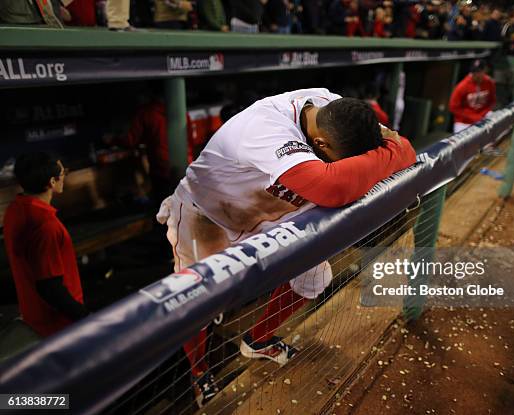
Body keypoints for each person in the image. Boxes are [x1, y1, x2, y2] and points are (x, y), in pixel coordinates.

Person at [156, 88, 417, 402]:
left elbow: (407, 151)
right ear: (320, 144)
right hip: (207, 215)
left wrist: (368, 160)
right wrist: (380, 161)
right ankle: (199, 372)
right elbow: (333, 185)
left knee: (313, 277)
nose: (352, 166)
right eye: (345, 160)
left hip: (265, 211)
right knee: (197, 300)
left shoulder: (335, 108)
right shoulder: (267, 128)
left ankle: (258, 340)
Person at [3, 153, 89, 338]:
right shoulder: (45, 225)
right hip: (60, 325)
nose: (65, 175)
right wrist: (85, 318)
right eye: (63, 172)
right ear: (52, 181)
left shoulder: (14, 210)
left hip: (34, 319)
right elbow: (50, 288)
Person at [449, 60, 496, 133]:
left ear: (485, 70)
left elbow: (492, 101)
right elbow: (453, 107)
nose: (476, 74)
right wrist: (474, 117)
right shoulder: (462, 86)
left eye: (479, 71)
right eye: (474, 71)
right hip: (464, 122)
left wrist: (485, 113)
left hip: (483, 118)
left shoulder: (489, 82)